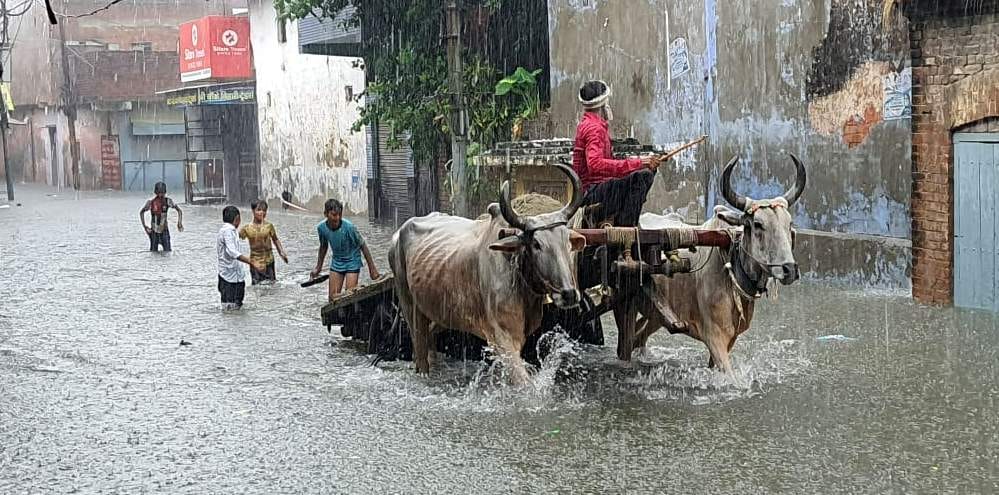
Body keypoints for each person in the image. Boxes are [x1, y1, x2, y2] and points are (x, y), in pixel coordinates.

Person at [571, 80, 662, 227]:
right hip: (593, 193)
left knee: (641, 172)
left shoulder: (588, 125)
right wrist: (640, 163)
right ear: (604, 104)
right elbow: (595, 165)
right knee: (644, 176)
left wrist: (637, 164)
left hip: (591, 190)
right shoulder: (595, 129)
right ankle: (626, 229)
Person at [310, 199, 381, 300]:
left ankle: (357, 292)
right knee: (332, 298)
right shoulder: (321, 228)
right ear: (326, 214)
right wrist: (318, 267)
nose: (337, 218)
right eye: (334, 215)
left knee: (349, 296)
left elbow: (363, 246)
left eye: (339, 215)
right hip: (337, 261)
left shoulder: (349, 227)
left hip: (352, 261)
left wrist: (372, 270)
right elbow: (323, 247)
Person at [217, 206, 266, 309]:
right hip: (229, 277)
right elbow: (232, 252)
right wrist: (251, 261)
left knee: (234, 308)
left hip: (235, 276)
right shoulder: (228, 231)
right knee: (230, 308)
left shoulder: (230, 230)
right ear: (237, 218)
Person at [239, 199, 289, 285]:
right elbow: (235, 239)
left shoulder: (269, 226)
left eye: (264, 210)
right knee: (257, 287)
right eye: (259, 210)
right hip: (255, 262)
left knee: (271, 285)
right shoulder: (246, 228)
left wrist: (281, 252)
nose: (262, 212)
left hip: (269, 261)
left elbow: (275, 240)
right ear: (253, 211)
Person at [140, 182, 183, 251]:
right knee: (153, 253)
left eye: (162, 193)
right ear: (156, 193)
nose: (160, 195)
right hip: (154, 232)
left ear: (165, 193)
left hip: (164, 231)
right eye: (159, 193)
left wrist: (179, 223)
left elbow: (179, 211)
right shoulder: (151, 203)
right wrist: (145, 227)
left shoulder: (168, 201)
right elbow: (141, 212)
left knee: (168, 252)